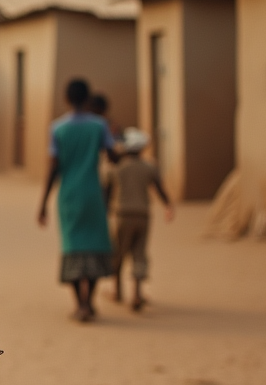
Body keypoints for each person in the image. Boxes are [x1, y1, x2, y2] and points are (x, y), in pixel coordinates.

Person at [37, 78, 118, 322]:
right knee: (93, 245)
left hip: (69, 195)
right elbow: (113, 157)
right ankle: (89, 302)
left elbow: (53, 168)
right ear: (88, 99)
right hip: (93, 193)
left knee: (72, 247)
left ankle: (79, 303)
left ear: (66, 99)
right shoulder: (99, 126)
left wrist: (42, 203)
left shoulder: (58, 129)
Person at [104, 127, 174, 311]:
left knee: (118, 253)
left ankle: (117, 291)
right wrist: (168, 206)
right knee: (139, 253)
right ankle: (137, 294)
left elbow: (106, 193)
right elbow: (159, 189)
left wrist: (104, 213)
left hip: (121, 216)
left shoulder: (116, 169)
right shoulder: (150, 167)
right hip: (143, 216)